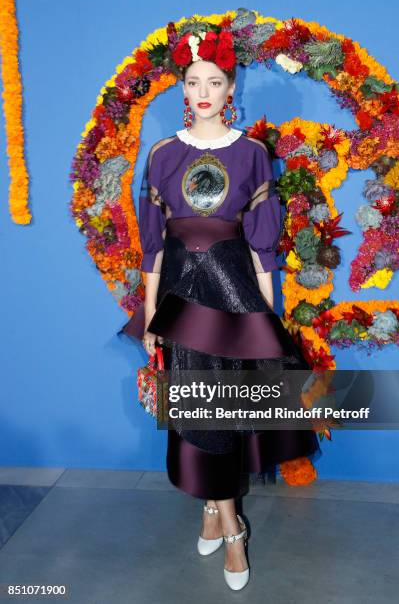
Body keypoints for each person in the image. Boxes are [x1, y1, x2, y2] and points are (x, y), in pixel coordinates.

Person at [119, 43, 321, 591]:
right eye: (193, 82)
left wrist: (268, 314)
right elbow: (153, 247)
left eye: (213, 82)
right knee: (199, 410)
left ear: (231, 89)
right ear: (182, 90)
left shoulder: (253, 152)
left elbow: (261, 247)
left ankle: (217, 513)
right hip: (182, 296)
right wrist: (152, 313)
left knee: (228, 411)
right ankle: (233, 528)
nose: (203, 93)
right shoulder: (162, 154)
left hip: (235, 296)